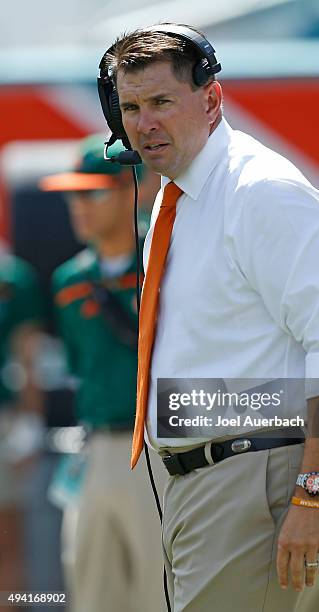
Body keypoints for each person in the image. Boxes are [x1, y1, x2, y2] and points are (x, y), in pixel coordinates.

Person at [101, 25, 319, 612]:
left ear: (211, 100)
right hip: (209, 483)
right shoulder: (176, 193)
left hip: (260, 483)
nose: (143, 122)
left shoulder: (263, 191)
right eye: (128, 107)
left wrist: (312, 497)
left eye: (160, 102)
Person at [39, 135, 166, 612]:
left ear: (129, 188)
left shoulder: (166, 259)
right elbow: (78, 367)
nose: (79, 206)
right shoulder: (68, 280)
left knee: (159, 590)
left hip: (158, 445)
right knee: (92, 590)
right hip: (94, 449)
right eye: (73, 194)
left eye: (91, 192)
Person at [0, 242, 45, 608]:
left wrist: (30, 422)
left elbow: (27, 356)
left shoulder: (14, 276)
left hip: (3, 419)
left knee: (7, 540)